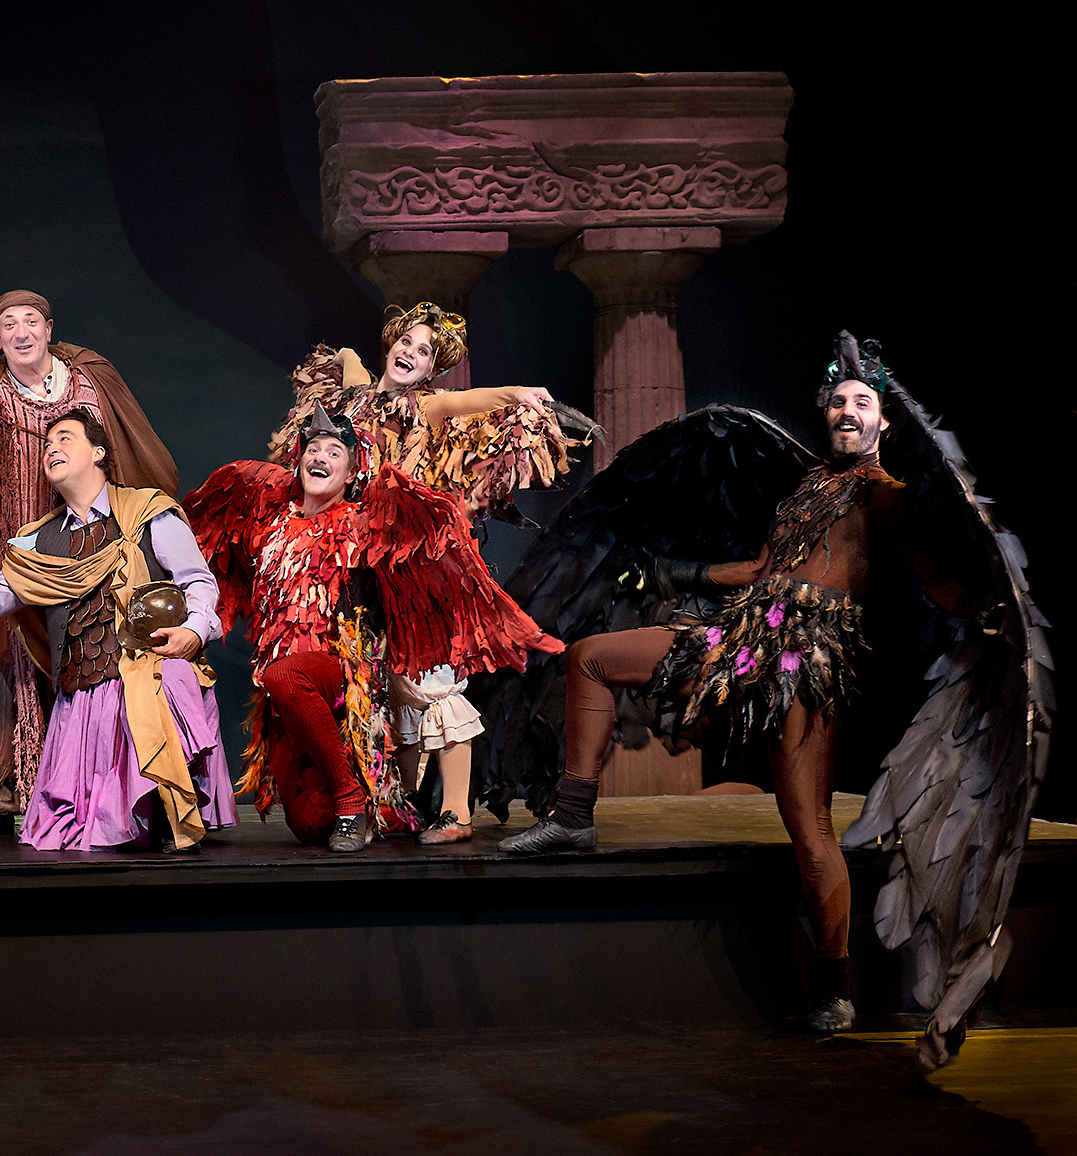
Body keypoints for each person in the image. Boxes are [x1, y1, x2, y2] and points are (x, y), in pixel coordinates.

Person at [499, 336, 978, 1037]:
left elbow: (933, 573)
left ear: (884, 420)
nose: (847, 411)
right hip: (742, 638)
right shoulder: (808, 488)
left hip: (806, 662)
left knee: (810, 830)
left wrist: (981, 613)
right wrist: (672, 573)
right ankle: (572, 816)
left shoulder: (888, 496)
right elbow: (759, 569)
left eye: (862, 402)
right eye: (838, 401)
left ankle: (834, 986)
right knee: (593, 656)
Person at [186, 407, 561, 850]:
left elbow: (415, 554)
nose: (320, 457)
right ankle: (374, 803)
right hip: (289, 698)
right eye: (313, 449)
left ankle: (360, 798)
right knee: (309, 825)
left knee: (285, 676)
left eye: (334, 452)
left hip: (343, 676)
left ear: (351, 472)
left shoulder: (362, 525)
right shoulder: (270, 525)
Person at [0, 411, 234, 852]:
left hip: (147, 673)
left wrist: (194, 630)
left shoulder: (147, 513)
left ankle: (169, 809)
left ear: (98, 452)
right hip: (85, 692)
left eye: (65, 438)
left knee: (168, 681)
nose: (52, 448)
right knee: (71, 836)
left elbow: (197, 581)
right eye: (48, 444)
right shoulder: (39, 541)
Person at [0, 290, 180, 839]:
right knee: (8, 658)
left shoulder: (88, 381)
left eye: (31, 321)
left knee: (93, 652)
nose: (21, 332)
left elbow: (119, 448)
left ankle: (113, 787)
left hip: (89, 538)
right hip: (19, 540)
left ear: (48, 328)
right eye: (8, 325)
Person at [318, 304, 572, 843]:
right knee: (390, 687)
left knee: (434, 682)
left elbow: (471, 400)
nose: (410, 353)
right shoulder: (359, 396)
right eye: (405, 342)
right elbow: (351, 361)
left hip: (417, 564)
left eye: (424, 351)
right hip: (366, 563)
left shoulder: (428, 405)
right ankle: (404, 807)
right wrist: (343, 355)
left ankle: (457, 814)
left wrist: (518, 394)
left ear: (432, 369)